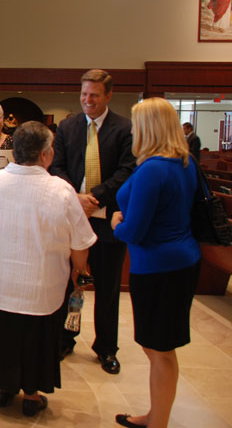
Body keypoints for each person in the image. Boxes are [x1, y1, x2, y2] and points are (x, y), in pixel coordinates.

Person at [0, 121, 96, 417]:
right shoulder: (61, 190)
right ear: (47, 154)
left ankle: (2, 388)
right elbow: (81, 242)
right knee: (35, 337)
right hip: (41, 285)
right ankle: (31, 394)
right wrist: (79, 271)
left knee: (2, 332)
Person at [111, 98, 202, 428]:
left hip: (158, 267)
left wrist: (117, 223)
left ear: (147, 128)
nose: (132, 130)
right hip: (181, 260)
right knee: (159, 348)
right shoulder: (184, 162)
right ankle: (156, 414)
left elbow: (135, 230)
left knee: (159, 349)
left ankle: (158, 422)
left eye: (136, 124)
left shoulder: (152, 169)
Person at [49, 69, 135, 375]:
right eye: (84, 94)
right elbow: (56, 167)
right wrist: (76, 199)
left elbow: (127, 170)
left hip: (107, 221)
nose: (88, 100)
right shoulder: (68, 126)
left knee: (108, 288)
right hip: (72, 219)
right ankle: (64, 339)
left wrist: (94, 197)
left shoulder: (124, 128)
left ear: (108, 96)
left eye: (94, 95)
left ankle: (106, 348)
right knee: (68, 283)